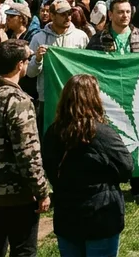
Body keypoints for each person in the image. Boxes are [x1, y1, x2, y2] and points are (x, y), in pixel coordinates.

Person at [42, 74, 133, 257]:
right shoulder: (102, 134)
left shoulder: (53, 132)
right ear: (93, 99)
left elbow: (49, 168)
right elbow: (127, 168)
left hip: (67, 215)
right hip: (100, 216)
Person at [0, 40, 50, 256]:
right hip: (17, 195)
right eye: (28, 59)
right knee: (23, 251)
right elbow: (28, 153)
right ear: (20, 65)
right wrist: (41, 190)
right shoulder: (18, 101)